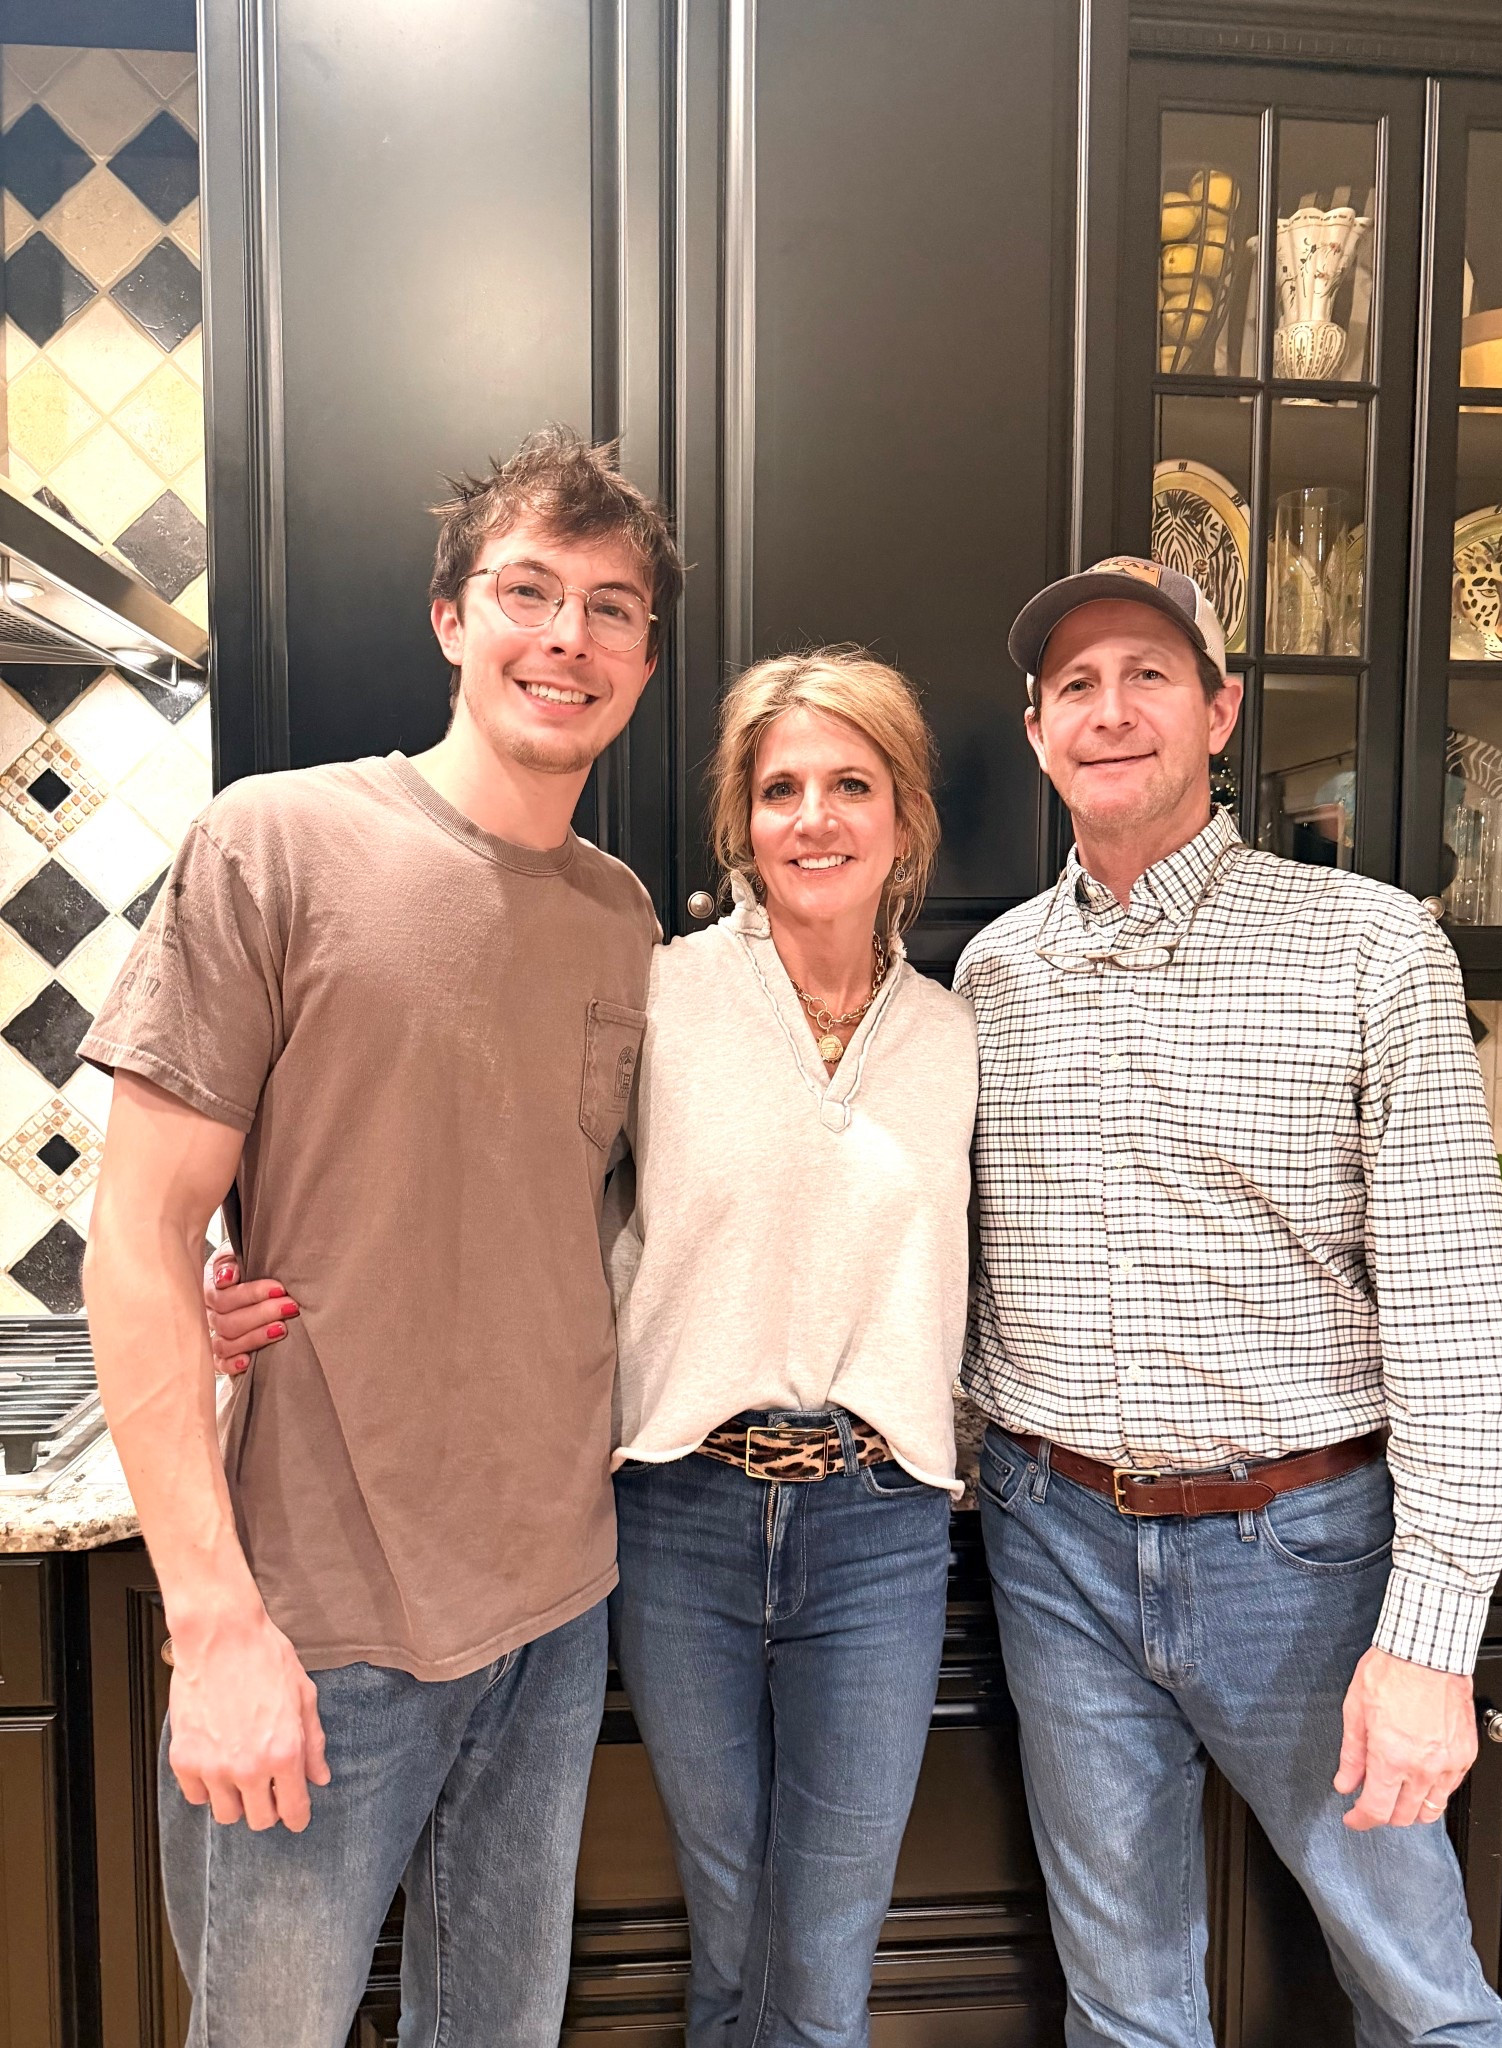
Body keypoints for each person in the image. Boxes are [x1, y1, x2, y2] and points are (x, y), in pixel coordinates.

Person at [209, 646, 980, 2048]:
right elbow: (485, 1168)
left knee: (827, 1949)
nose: (814, 817)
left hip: (880, 1527)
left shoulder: (961, 1033)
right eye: (781, 788)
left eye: (850, 785)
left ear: (904, 817)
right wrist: (245, 1257)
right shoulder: (658, 987)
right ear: (741, 824)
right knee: (731, 1915)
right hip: (676, 1506)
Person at [79, 426, 683, 2048]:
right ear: (450, 618)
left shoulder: (627, 919)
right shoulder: (277, 845)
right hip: (318, 1622)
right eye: (527, 591)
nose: (567, 638)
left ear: (642, 658)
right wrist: (214, 1628)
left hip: (556, 1606)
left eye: (612, 608)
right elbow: (134, 1234)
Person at [956, 556, 1502, 2048]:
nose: (1111, 710)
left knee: (1421, 1997)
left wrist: (1432, 1642)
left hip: (1310, 1562)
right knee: (1125, 2003)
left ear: (1220, 712)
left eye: (1149, 674)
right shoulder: (992, 976)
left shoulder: (1372, 949)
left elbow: (1461, 1329)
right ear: (1036, 733)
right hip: (1053, 1542)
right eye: (1074, 685)